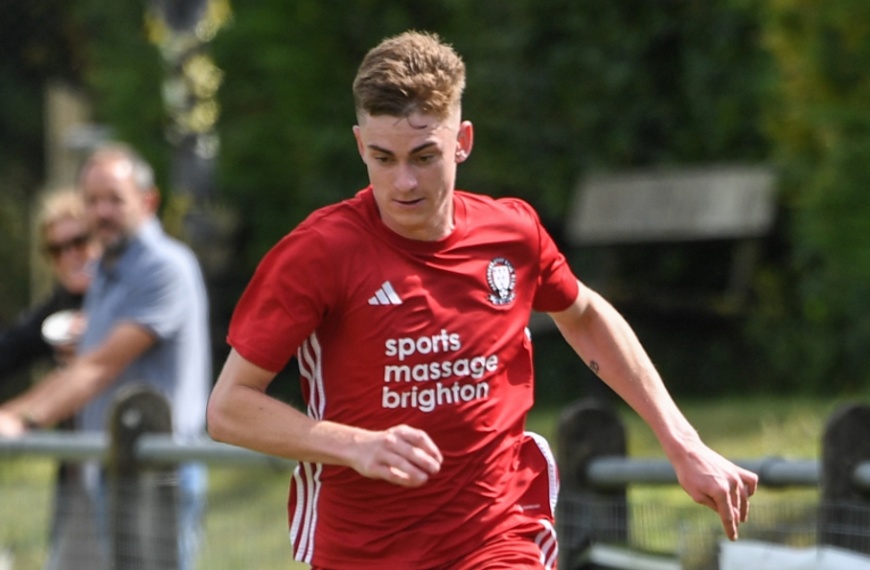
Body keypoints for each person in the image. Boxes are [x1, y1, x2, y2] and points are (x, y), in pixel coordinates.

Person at [205, 31, 758, 569]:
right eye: (382, 158)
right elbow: (229, 408)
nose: (403, 182)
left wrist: (683, 443)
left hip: (496, 538)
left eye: (424, 156)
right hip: (365, 550)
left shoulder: (510, 234)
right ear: (359, 146)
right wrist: (355, 446)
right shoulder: (318, 253)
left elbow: (584, 316)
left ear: (462, 141)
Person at [0, 144, 212, 570]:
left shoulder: (165, 267)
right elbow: (80, 366)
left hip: (159, 476)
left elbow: (99, 368)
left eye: (115, 199)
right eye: (92, 201)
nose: (102, 212)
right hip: (112, 472)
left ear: (147, 201)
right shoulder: (103, 275)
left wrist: (21, 420)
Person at [0, 188, 99, 381]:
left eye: (79, 242)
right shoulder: (58, 306)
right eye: (56, 250)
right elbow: (12, 347)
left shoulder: (125, 293)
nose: (70, 256)